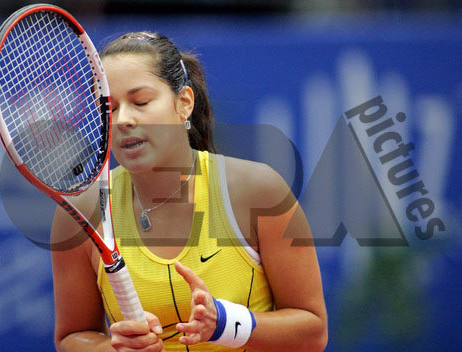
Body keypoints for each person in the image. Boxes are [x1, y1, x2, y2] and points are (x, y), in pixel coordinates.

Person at [51, 31, 327, 352]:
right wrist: (113, 349)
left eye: (141, 102)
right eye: (109, 108)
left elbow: (313, 332)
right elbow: (72, 337)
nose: (123, 119)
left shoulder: (259, 191)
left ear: (184, 103)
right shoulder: (79, 215)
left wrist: (224, 323)